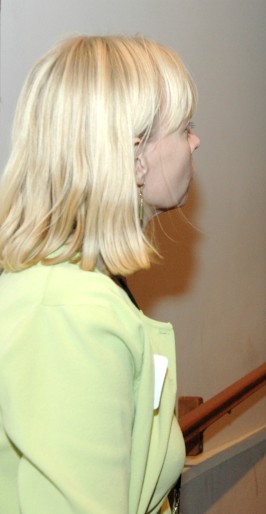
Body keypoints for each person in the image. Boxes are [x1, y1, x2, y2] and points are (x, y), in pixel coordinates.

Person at [0, 35, 200, 514]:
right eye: (185, 127)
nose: (196, 141)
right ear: (135, 159)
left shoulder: (87, 287)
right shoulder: (67, 316)